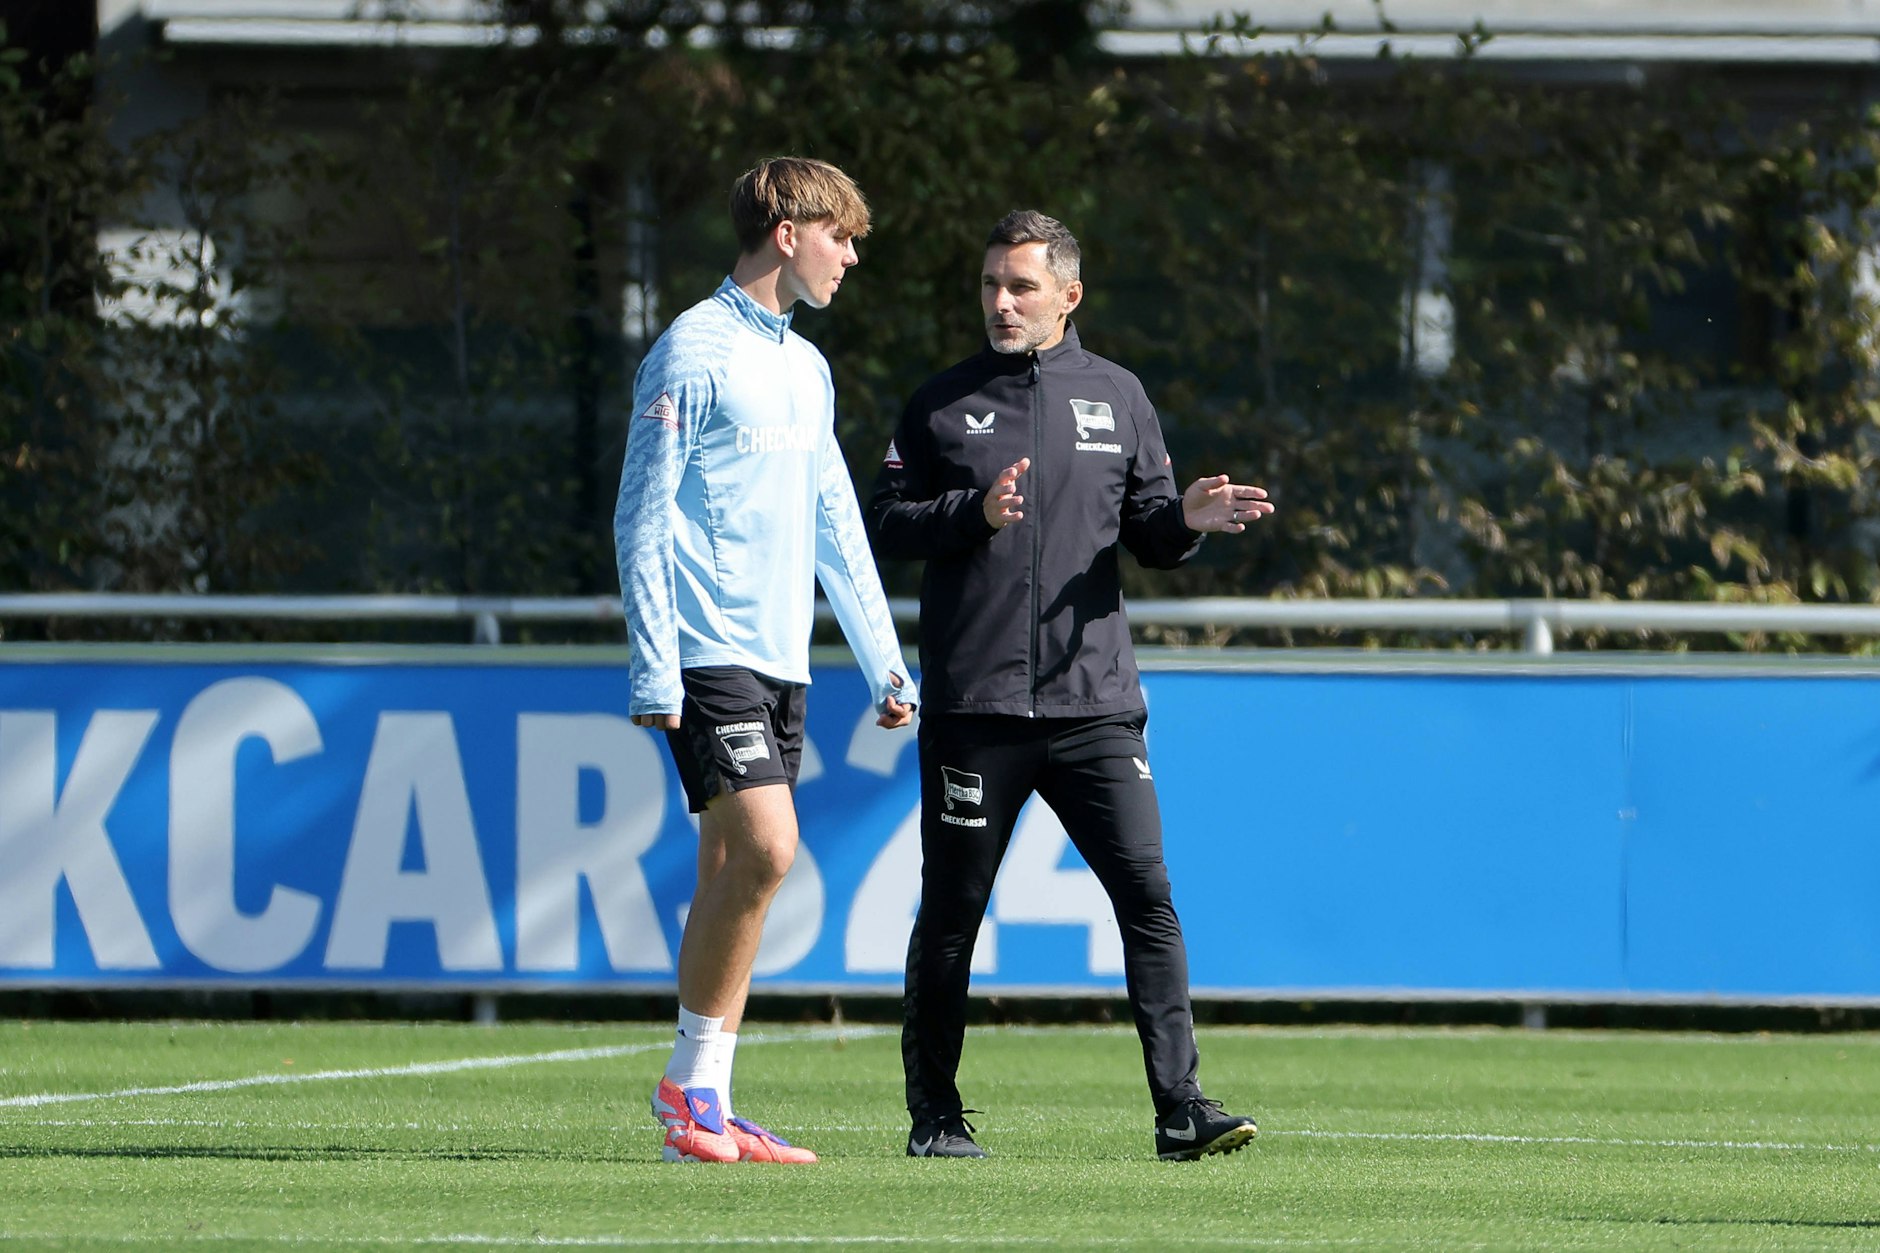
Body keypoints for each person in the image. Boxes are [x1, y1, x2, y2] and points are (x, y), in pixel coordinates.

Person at [866, 209, 1274, 1163]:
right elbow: (883, 522)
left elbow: (1151, 535)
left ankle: (1182, 1110)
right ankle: (935, 1116)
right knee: (954, 910)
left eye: (1021, 286)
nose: (1001, 303)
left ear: (1069, 295)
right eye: (990, 286)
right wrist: (972, 511)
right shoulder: (939, 402)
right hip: (977, 710)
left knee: (1148, 894)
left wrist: (1192, 520)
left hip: (1096, 706)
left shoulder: (1120, 396)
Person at [615, 156, 916, 1165]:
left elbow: (833, 518)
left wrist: (883, 657)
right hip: (707, 650)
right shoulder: (690, 352)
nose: (850, 255)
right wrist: (655, 668)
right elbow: (640, 518)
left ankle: (705, 1098)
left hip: (780, 657)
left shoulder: (804, 364)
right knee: (767, 848)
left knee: (729, 865)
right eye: (842, 235)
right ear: (786, 229)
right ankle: (682, 1092)